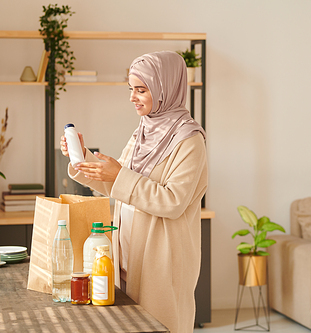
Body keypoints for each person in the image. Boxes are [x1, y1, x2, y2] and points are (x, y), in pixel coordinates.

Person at [60, 51, 207, 333]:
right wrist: (82, 159)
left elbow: (173, 201)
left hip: (161, 259)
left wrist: (119, 176)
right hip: (126, 253)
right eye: (131, 89)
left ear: (165, 89)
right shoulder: (143, 131)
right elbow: (118, 184)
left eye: (141, 90)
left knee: (161, 325)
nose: (132, 97)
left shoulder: (189, 141)